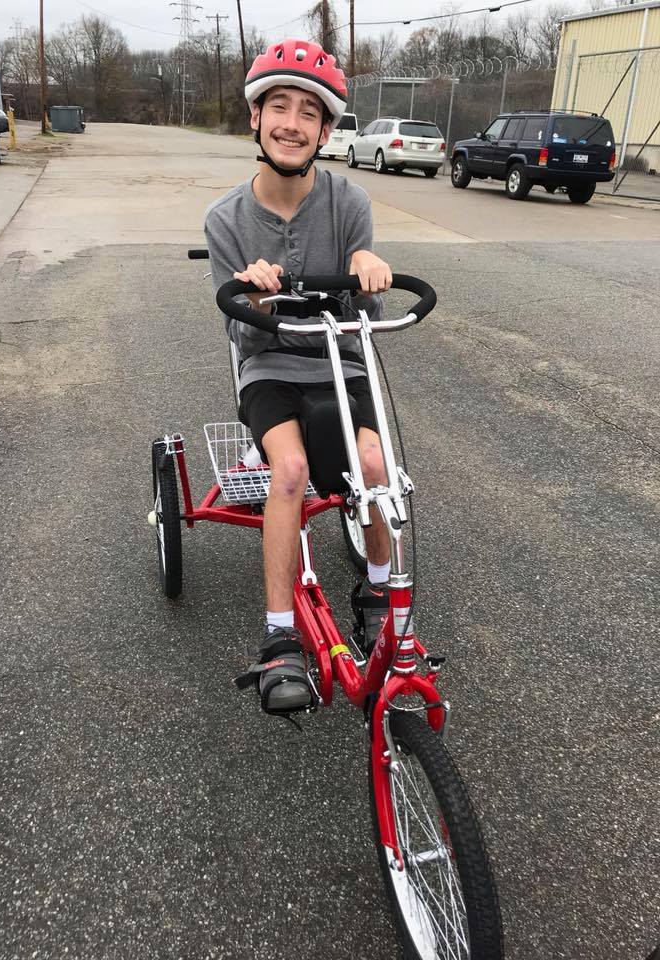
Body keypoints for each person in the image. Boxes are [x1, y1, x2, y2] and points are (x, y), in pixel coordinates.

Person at [204, 38, 393, 716]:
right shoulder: (225, 218)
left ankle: (375, 595)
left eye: (307, 112)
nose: (291, 122)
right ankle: (280, 637)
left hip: (338, 359)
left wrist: (367, 268)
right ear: (255, 118)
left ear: (326, 129)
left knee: (374, 463)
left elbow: (364, 313)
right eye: (277, 106)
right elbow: (241, 332)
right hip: (271, 367)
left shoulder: (350, 204)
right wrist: (252, 298)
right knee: (286, 471)